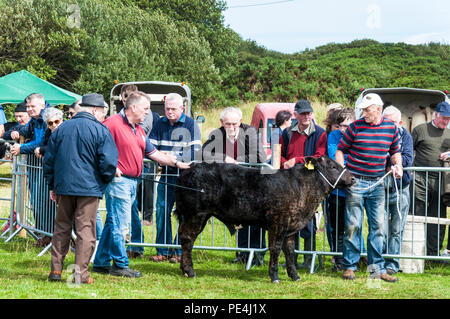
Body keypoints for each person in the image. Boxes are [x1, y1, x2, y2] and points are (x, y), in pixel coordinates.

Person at [93, 91, 189, 277]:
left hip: (131, 182)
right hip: (118, 182)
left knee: (112, 222)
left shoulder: (138, 129)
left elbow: (153, 153)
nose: (148, 113)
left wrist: (177, 164)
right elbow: (95, 147)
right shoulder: (112, 124)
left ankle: (101, 262)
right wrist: (110, 167)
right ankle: (120, 265)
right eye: (145, 109)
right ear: (133, 107)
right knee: (120, 225)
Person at [44, 93, 119, 284]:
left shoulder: (61, 129)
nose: (103, 116)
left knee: (61, 227)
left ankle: (56, 270)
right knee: (85, 231)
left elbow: (49, 160)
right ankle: (80, 274)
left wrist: (52, 185)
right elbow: (109, 162)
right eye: (103, 112)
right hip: (89, 189)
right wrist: (104, 181)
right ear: (95, 110)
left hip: (64, 187)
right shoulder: (100, 131)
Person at [336, 93, 403, 282]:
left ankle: (377, 269)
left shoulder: (391, 128)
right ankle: (350, 267)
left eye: (367, 110)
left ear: (378, 109)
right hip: (356, 182)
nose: (363, 113)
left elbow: (395, 152)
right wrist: (342, 169)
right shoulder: (355, 127)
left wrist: (398, 165)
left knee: (378, 227)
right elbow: (341, 150)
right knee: (353, 225)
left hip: (378, 183)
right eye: (363, 110)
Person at [202, 107, 267, 265]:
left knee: (256, 220)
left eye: (234, 124)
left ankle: (257, 255)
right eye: (228, 124)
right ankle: (242, 253)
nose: (231, 128)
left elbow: (260, 156)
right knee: (239, 219)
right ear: (221, 123)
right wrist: (225, 158)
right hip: (232, 186)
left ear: (241, 122)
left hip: (252, 184)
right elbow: (204, 153)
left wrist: (238, 160)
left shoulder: (250, 132)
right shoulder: (217, 134)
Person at [149, 93, 201, 263]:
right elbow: (150, 147)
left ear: (182, 108)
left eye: (173, 109)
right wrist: (164, 157)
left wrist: (168, 157)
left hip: (185, 178)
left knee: (184, 215)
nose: (169, 112)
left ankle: (179, 250)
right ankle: (163, 250)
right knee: (162, 212)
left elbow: (195, 151)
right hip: (166, 176)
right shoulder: (159, 123)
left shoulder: (191, 124)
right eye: (167, 109)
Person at [280, 99, 327, 269]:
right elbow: (278, 153)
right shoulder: (286, 133)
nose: (307, 116)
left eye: (309, 113)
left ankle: (309, 259)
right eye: (303, 113)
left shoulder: (320, 133)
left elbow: (319, 157)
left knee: (308, 221)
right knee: (290, 220)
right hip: (289, 183)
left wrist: (296, 161)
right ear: (296, 115)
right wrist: (284, 161)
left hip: (309, 184)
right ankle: (292, 259)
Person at [10, 93, 53, 246]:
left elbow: (39, 142)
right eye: (27, 106)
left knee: (45, 202)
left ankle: (50, 235)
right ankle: (44, 234)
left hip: (46, 167)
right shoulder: (34, 120)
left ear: (42, 105)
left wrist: (21, 147)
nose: (29, 109)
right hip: (37, 166)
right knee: (36, 200)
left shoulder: (46, 117)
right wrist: (16, 132)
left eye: (32, 106)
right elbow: (25, 131)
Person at [411, 101, 450, 259]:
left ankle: (434, 254)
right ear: (436, 115)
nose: (445, 122)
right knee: (417, 213)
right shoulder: (420, 130)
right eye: (443, 118)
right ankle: (415, 251)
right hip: (420, 178)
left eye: (448, 119)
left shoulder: (449, 133)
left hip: (442, 180)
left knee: (438, 217)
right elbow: (408, 150)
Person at [382, 105, 413, 274]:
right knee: (378, 228)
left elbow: (408, 159)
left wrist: (390, 163)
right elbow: (374, 158)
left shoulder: (406, 136)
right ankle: (378, 262)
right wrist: (392, 164)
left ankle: (392, 265)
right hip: (380, 189)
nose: (390, 125)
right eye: (386, 121)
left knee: (396, 229)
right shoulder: (378, 135)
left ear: (400, 122)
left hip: (401, 189)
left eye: (393, 122)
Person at [326, 107, 355, 272]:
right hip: (338, 190)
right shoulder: (333, 136)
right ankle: (338, 261)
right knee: (337, 228)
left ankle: (353, 260)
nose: (343, 129)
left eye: (347, 125)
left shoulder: (359, 133)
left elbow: (361, 157)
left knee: (353, 227)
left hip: (356, 189)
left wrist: (346, 159)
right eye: (341, 125)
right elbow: (333, 159)